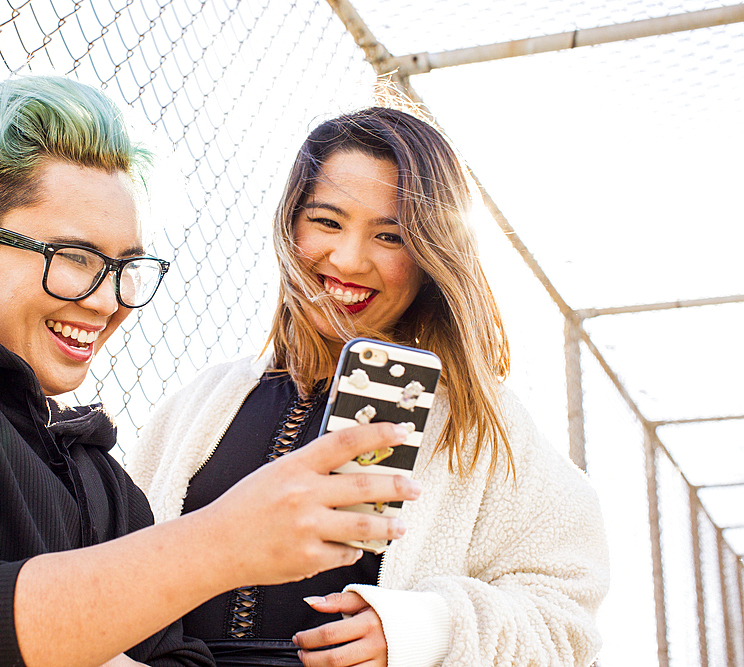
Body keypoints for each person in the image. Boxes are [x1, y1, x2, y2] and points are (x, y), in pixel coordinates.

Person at [0, 76, 424, 667]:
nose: (106, 299)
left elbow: (180, 654)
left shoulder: (99, 475)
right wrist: (223, 541)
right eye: (74, 257)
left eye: (127, 267)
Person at [128, 106, 610, 667]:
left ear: (432, 255)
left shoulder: (483, 422)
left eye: (390, 235)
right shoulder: (198, 405)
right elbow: (115, 571)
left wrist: (425, 632)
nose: (350, 260)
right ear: (290, 225)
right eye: (327, 223)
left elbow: (566, 622)